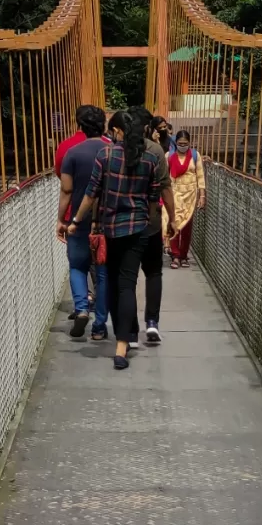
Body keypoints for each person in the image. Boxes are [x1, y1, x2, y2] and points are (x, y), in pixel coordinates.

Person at [68, 108, 174, 369]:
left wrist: (76, 221)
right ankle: (122, 348)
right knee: (127, 285)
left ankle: (119, 335)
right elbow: (153, 197)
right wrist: (152, 219)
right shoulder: (150, 156)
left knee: (112, 283)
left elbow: (92, 193)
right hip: (138, 230)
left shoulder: (106, 154)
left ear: (116, 131)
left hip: (110, 229)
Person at [57, 107, 110, 340]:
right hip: (108, 221)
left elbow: (66, 189)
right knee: (103, 271)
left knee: (77, 265)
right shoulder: (114, 151)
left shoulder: (72, 153)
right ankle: (100, 323)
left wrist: (61, 219)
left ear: (80, 125)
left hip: (78, 220)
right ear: (104, 125)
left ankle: (81, 309)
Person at [132, 106, 172, 345]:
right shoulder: (156, 150)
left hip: (123, 225)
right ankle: (152, 324)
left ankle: (129, 331)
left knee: (126, 279)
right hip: (152, 222)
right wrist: (173, 218)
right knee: (154, 273)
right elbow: (165, 187)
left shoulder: (114, 151)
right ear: (148, 127)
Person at [165, 130, 206, 267]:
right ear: (175, 143)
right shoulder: (169, 156)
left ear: (190, 143)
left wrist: (202, 195)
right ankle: (175, 255)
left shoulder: (195, 155)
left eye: (185, 143)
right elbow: (164, 177)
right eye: (180, 143)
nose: (182, 146)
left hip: (190, 195)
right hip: (174, 194)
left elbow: (200, 175)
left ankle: (184, 255)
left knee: (187, 226)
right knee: (175, 223)